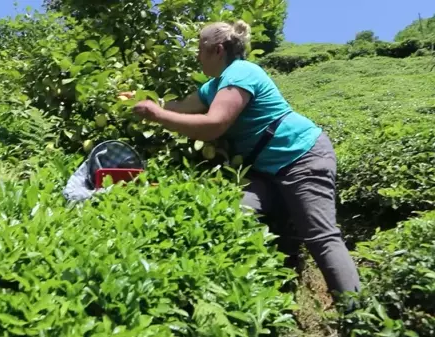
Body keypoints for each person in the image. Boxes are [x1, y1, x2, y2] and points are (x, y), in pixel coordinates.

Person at [120, 20, 361, 305]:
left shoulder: (242, 72)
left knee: (319, 235)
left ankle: (357, 315)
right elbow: (179, 108)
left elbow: (214, 124)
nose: (197, 56)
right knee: (237, 212)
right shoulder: (213, 87)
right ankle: (275, 304)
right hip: (266, 171)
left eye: (201, 49)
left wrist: (158, 117)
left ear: (218, 50)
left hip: (301, 156)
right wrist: (138, 102)